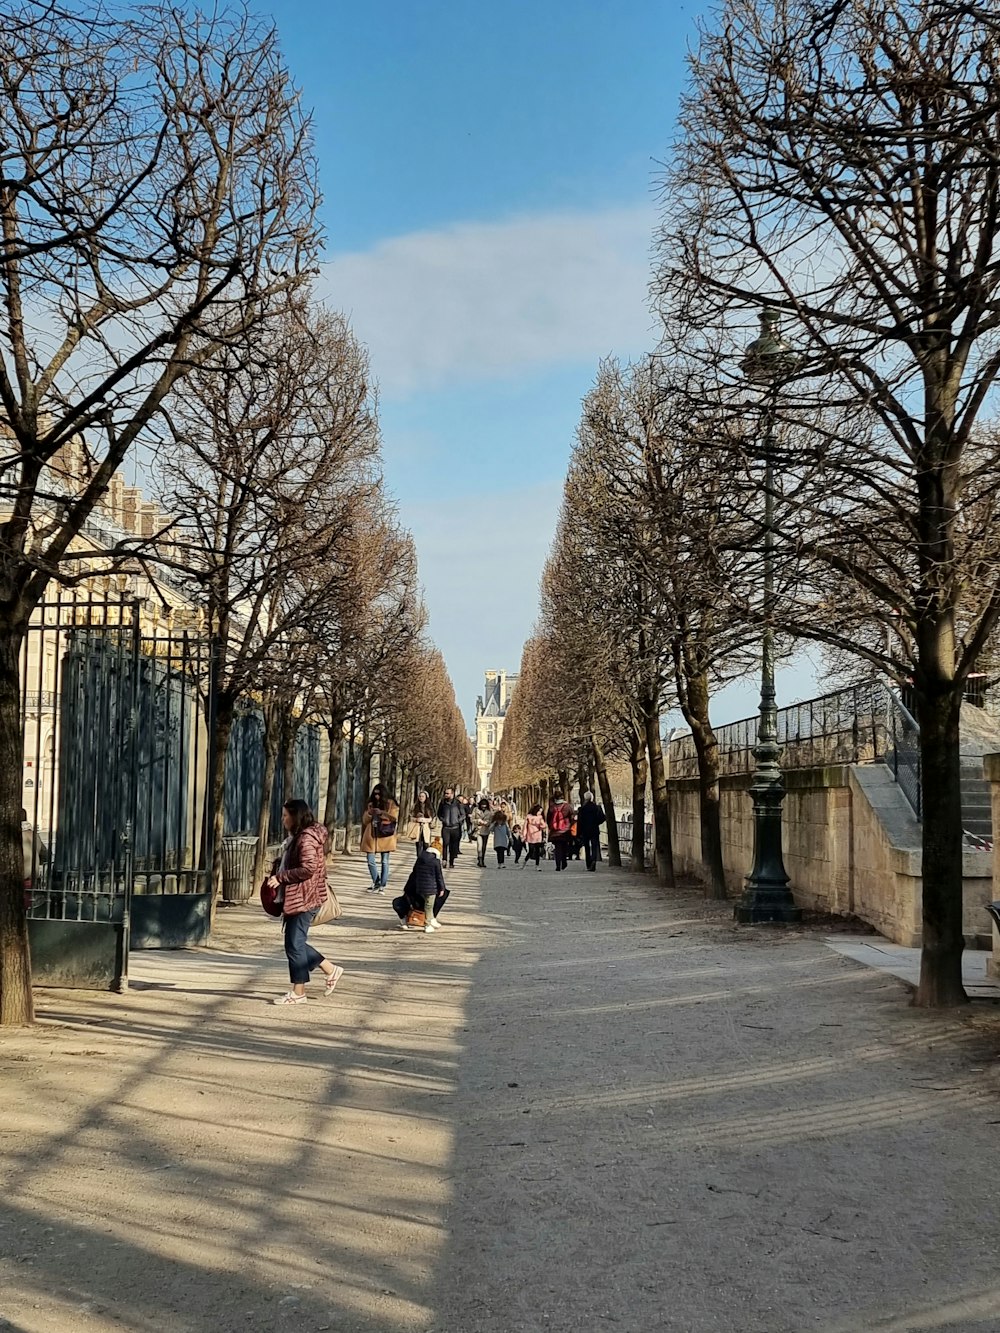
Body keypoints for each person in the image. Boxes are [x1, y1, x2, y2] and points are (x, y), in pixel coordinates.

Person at [265, 799, 344, 1005]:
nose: (282, 819)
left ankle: (298, 992)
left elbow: (308, 868)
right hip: (299, 896)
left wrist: (280, 877)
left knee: (294, 944)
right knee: (294, 943)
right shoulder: (299, 836)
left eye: (285, 816)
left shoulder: (305, 839)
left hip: (304, 898)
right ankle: (330, 969)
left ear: (296, 816)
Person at [393, 838, 449, 934]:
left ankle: (410, 919)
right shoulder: (435, 861)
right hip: (431, 887)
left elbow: (414, 871)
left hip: (419, 887)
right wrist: (442, 888)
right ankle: (428, 923)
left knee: (425, 904)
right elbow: (439, 876)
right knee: (429, 905)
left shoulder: (420, 858)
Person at [361, 783, 399, 892]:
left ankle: (382, 884)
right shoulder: (370, 804)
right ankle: (376, 882)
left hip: (385, 835)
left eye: (379, 794)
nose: (377, 796)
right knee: (370, 860)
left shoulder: (391, 804)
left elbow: (394, 818)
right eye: (375, 794)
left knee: (384, 861)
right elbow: (364, 820)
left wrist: (381, 813)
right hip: (371, 835)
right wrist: (369, 813)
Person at [576, 791, 607, 871]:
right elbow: (603, 818)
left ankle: (588, 863)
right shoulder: (597, 808)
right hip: (594, 829)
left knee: (587, 847)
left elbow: (579, 822)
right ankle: (594, 860)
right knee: (594, 846)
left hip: (585, 830)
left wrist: (578, 833)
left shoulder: (582, 809)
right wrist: (596, 823)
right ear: (592, 798)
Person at [437, 787, 466, 868]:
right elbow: (439, 813)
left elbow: (463, 814)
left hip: (455, 827)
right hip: (446, 827)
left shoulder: (457, 803)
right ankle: (444, 860)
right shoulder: (442, 803)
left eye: (447, 793)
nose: (446, 795)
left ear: (452, 794)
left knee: (453, 846)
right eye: (445, 793)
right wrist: (442, 819)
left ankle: (451, 861)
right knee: (445, 844)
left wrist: (457, 820)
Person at [546, 791, 574, 872]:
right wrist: (569, 826)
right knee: (564, 847)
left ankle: (558, 865)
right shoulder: (567, 806)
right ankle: (564, 862)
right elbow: (572, 817)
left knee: (557, 848)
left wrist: (551, 827)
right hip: (565, 830)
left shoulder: (552, 807)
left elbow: (548, 819)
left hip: (555, 831)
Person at [522, 803, 547, 870]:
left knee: (537, 851)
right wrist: (523, 835)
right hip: (530, 836)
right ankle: (524, 862)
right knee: (531, 851)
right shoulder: (528, 816)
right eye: (539, 811)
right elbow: (525, 827)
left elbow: (544, 826)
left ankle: (537, 865)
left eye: (541, 812)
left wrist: (542, 825)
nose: (540, 813)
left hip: (538, 836)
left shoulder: (540, 817)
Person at [473, 797, 493, 866]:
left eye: (485, 806)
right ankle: (480, 859)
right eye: (482, 806)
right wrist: (477, 821)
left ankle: (482, 859)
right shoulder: (476, 810)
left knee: (484, 847)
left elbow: (491, 821)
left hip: (486, 831)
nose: (483, 807)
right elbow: (472, 819)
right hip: (478, 830)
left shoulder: (490, 812)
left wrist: (487, 823)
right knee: (479, 846)